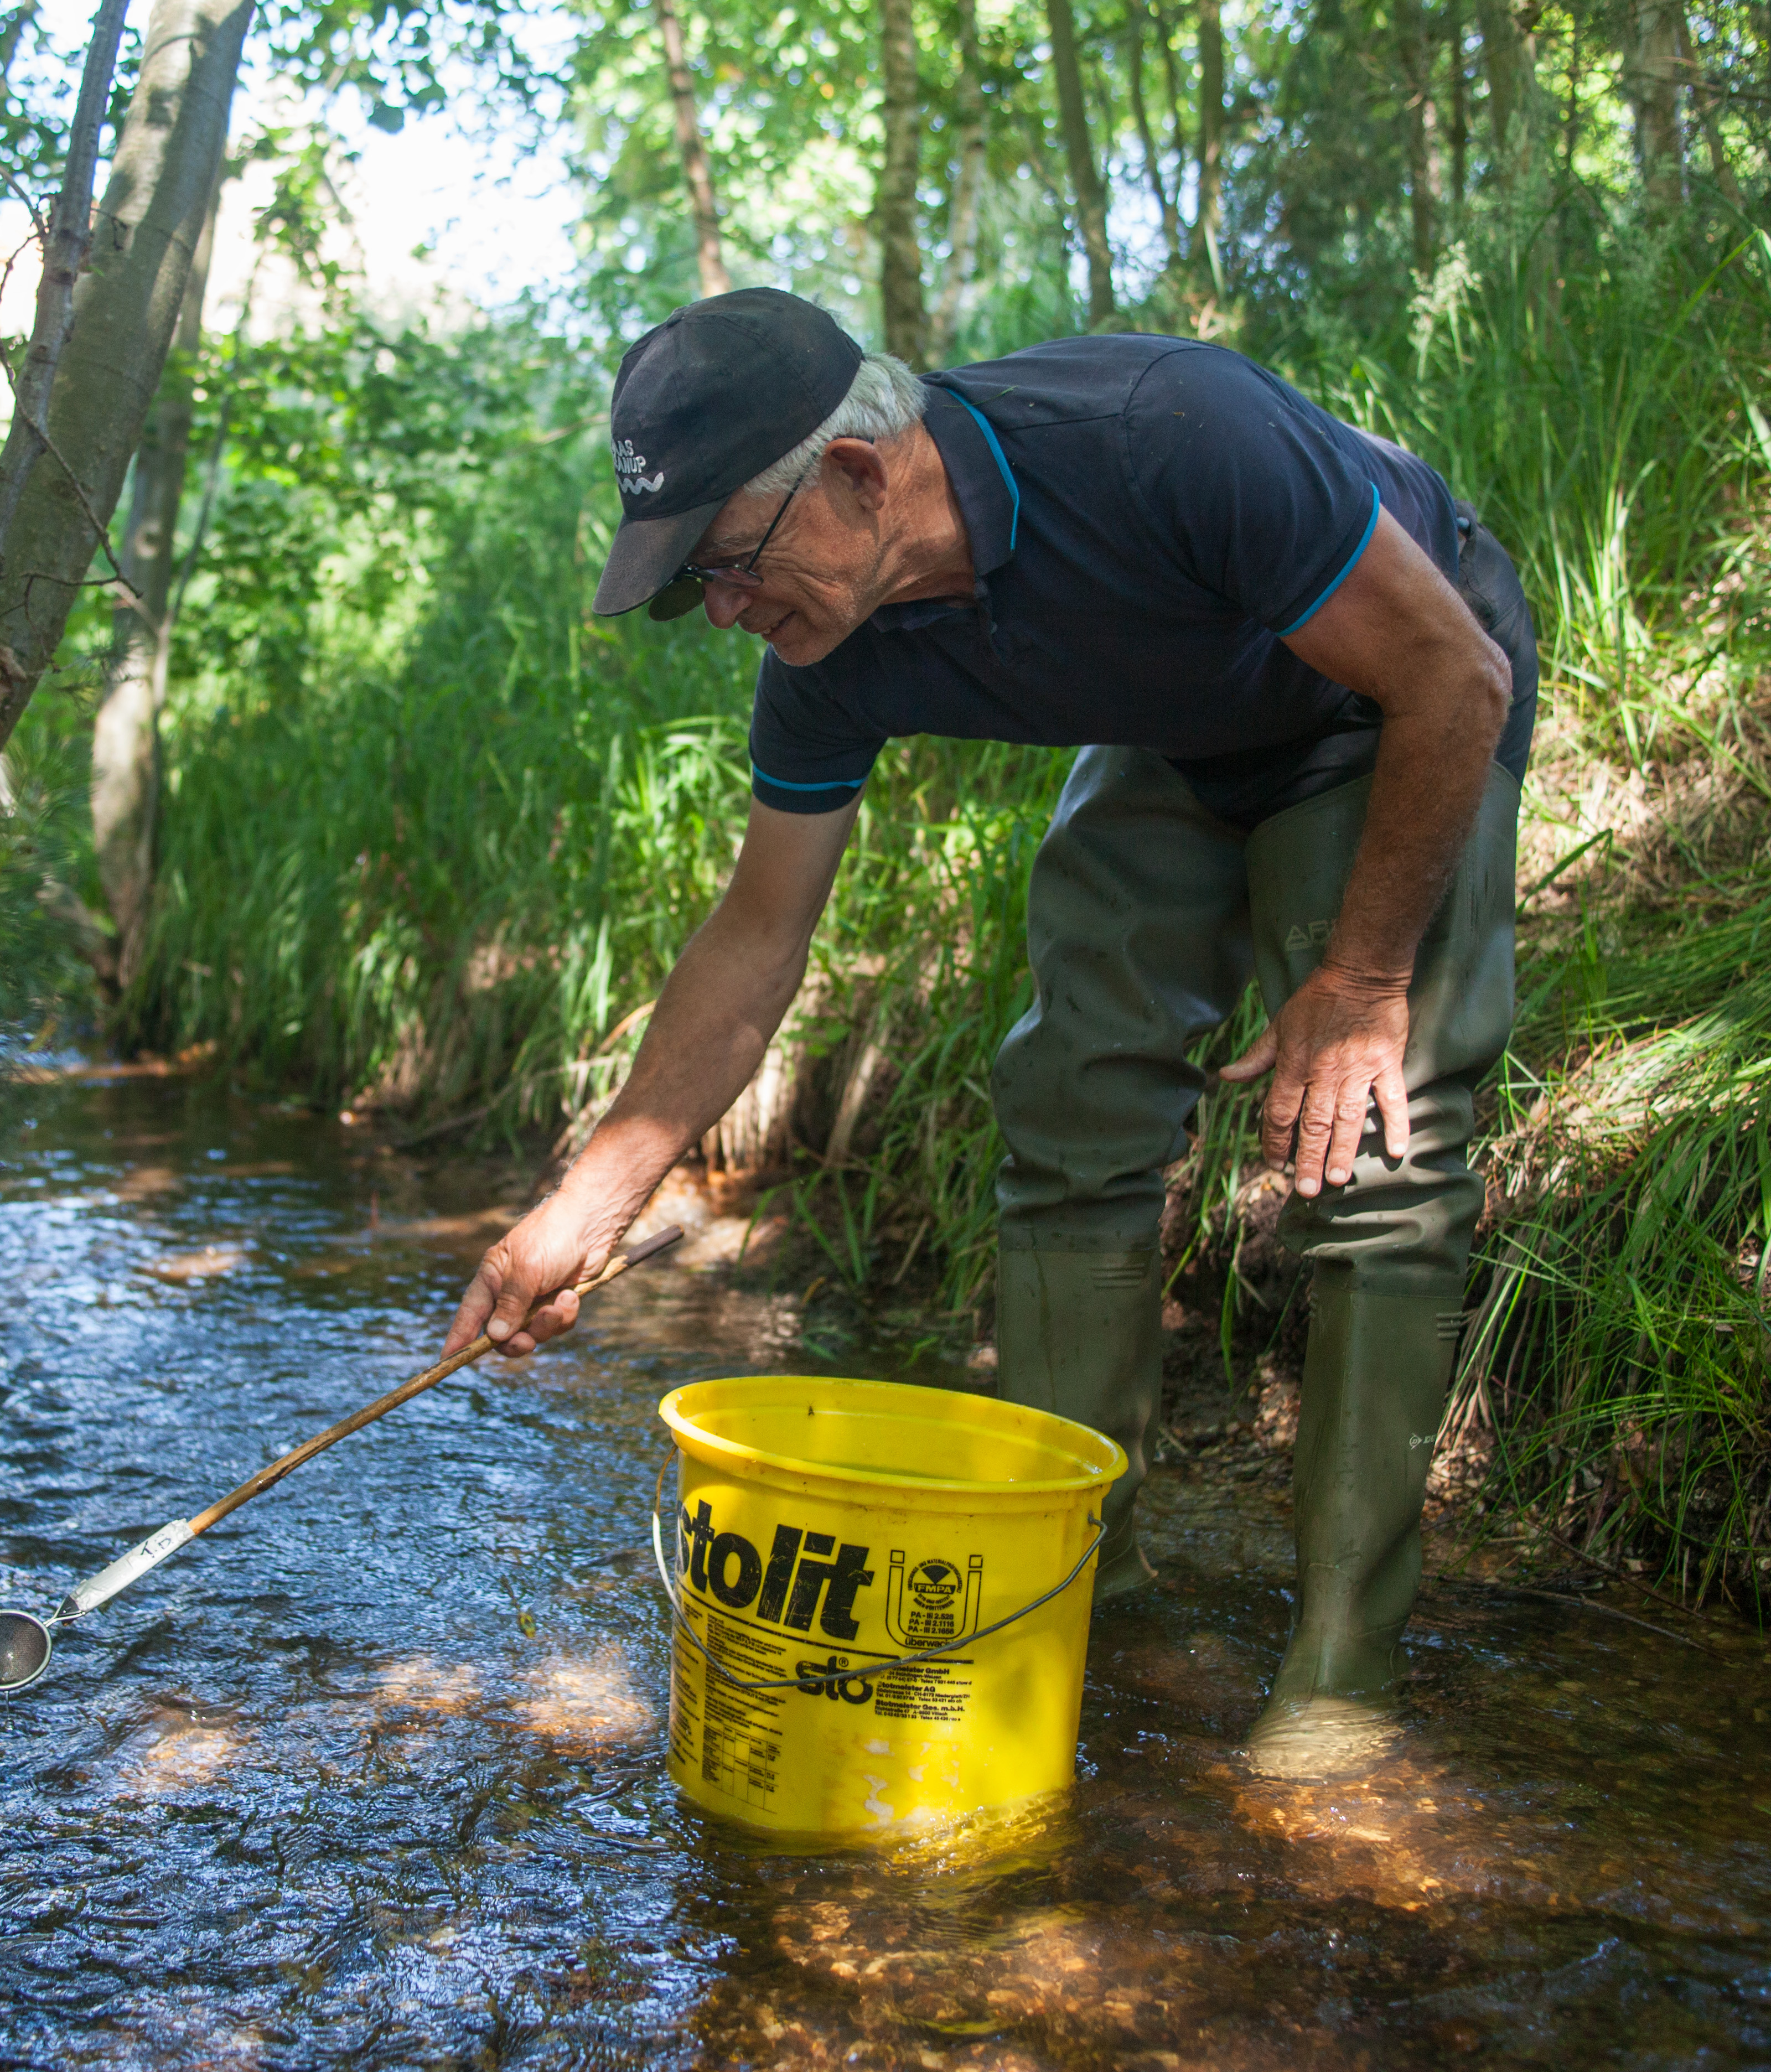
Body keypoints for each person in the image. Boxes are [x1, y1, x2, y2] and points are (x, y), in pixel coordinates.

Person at [444, 288, 1532, 1779]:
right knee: (1072, 1101)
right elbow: (757, 943)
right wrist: (584, 1209)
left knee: (1375, 1143)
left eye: (726, 565)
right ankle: (1084, 1587)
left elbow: (1454, 677)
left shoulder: (1163, 435)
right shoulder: (828, 648)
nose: (722, 612)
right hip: (1184, 721)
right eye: (690, 586)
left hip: (1390, 691)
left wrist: (1356, 986)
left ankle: (1344, 1669)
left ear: (856, 474)